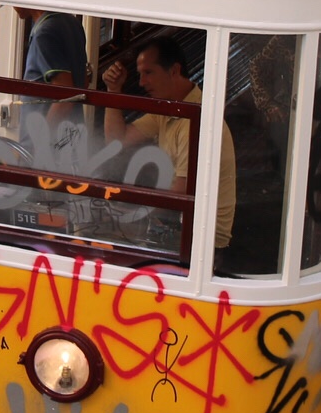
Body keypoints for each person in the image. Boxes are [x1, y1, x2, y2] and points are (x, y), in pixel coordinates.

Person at [101, 34, 239, 255]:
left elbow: (179, 193)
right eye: (139, 74)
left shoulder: (197, 118)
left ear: (174, 70)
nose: (142, 82)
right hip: (175, 223)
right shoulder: (171, 107)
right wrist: (113, 91)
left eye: (149, 73)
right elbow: (116, 141)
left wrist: (129, 210)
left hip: (202, 241)